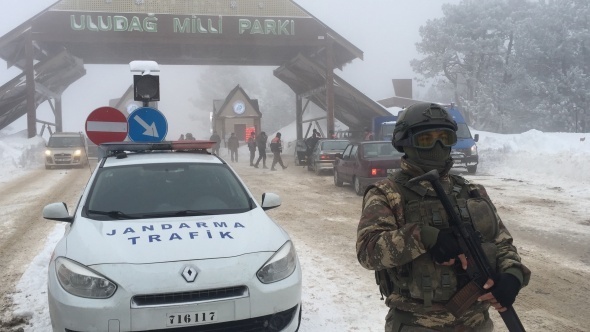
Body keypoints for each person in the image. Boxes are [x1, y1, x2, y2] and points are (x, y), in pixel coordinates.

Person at [356, 102, 530, 332]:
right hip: (416, 324)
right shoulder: (387, 193)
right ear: (405, 142)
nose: (437, 145)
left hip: (477, 323)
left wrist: (512, 274)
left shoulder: (472, 191)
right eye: (426, 139)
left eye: (444, 138)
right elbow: (368, 252)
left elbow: (501, 243)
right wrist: (424, 237)